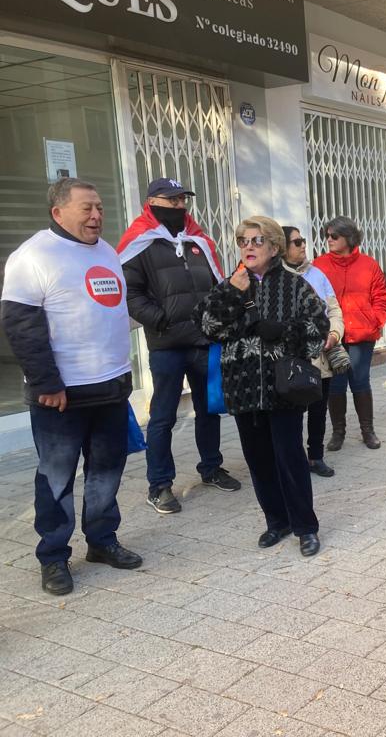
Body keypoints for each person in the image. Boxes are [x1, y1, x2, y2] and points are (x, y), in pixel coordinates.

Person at [1, 178, 142, 595]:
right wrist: (46, 382)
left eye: (99, 207)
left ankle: (101, 541)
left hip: (110, 386)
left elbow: (112, 312)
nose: (97, 215)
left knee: (106, 470)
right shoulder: (34, 255)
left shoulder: (107, 251)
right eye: (86, 208)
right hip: (60, 394)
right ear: (58, 212)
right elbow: (21, 326)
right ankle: (54, 556)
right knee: (57, 478)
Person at [195, 217, 329, 557]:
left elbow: (319, 327)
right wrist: (230, 293)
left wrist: (282, 330)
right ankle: (276, 521)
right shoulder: (230, 284)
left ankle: (305, 527)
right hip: (241, 387)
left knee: (289, 457)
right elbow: (208, 327)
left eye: (256, 241)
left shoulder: (294, 285)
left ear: (273, 247)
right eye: (243, 241)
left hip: (281, 388)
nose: (249, 247)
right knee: (257, 459)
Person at [116, 177, 239, 515]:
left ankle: (211, 467)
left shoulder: (198, 241)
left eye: (183, 199)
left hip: (203, 341)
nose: (179, 206)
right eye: (171, 201)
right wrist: (161, 319)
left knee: (209, 409)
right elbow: (130, 293)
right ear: (152, 202)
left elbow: (217, 285)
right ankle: (159, 485)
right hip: (167, 345)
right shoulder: (140, 242)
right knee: (162, 417)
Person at [312, 217, 386, 450]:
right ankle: (338, 432)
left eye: (334, 236)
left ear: (348, 237)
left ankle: (368, 430)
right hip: (332, 336)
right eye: (327, 235)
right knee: (335, 386)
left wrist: (376, 321)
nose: (329, 240)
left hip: (361, 334)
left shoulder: (368, 264)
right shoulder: (320, 265)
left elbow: (381, 297)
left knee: (360, 382)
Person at [281, 225, 348, 477]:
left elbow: (334, 310)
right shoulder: (275, 278)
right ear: (282, 247)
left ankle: (315, 456)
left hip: (322, 354)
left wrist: (334, 333)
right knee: (295, 411)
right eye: (296, 242)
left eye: (303, 241)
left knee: (319, 409)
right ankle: (294, 458)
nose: (302, 246)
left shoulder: (317, 275)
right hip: (293, 357)